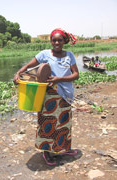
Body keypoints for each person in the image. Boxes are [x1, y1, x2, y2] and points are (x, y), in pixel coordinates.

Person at [13, 28, 79, 166]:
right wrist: (18, 73)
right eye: (54, 40)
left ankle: (63, 148)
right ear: (50, 41)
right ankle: (46, 152)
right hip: (48, 96)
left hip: (65, 96)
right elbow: (28, 66)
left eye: (59, 40)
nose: (56, 42)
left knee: (64, 123)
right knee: (47, 123)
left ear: (64, 41)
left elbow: (76, 75)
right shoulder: (44, 54)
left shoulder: (69, 55)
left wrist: (58, 78)